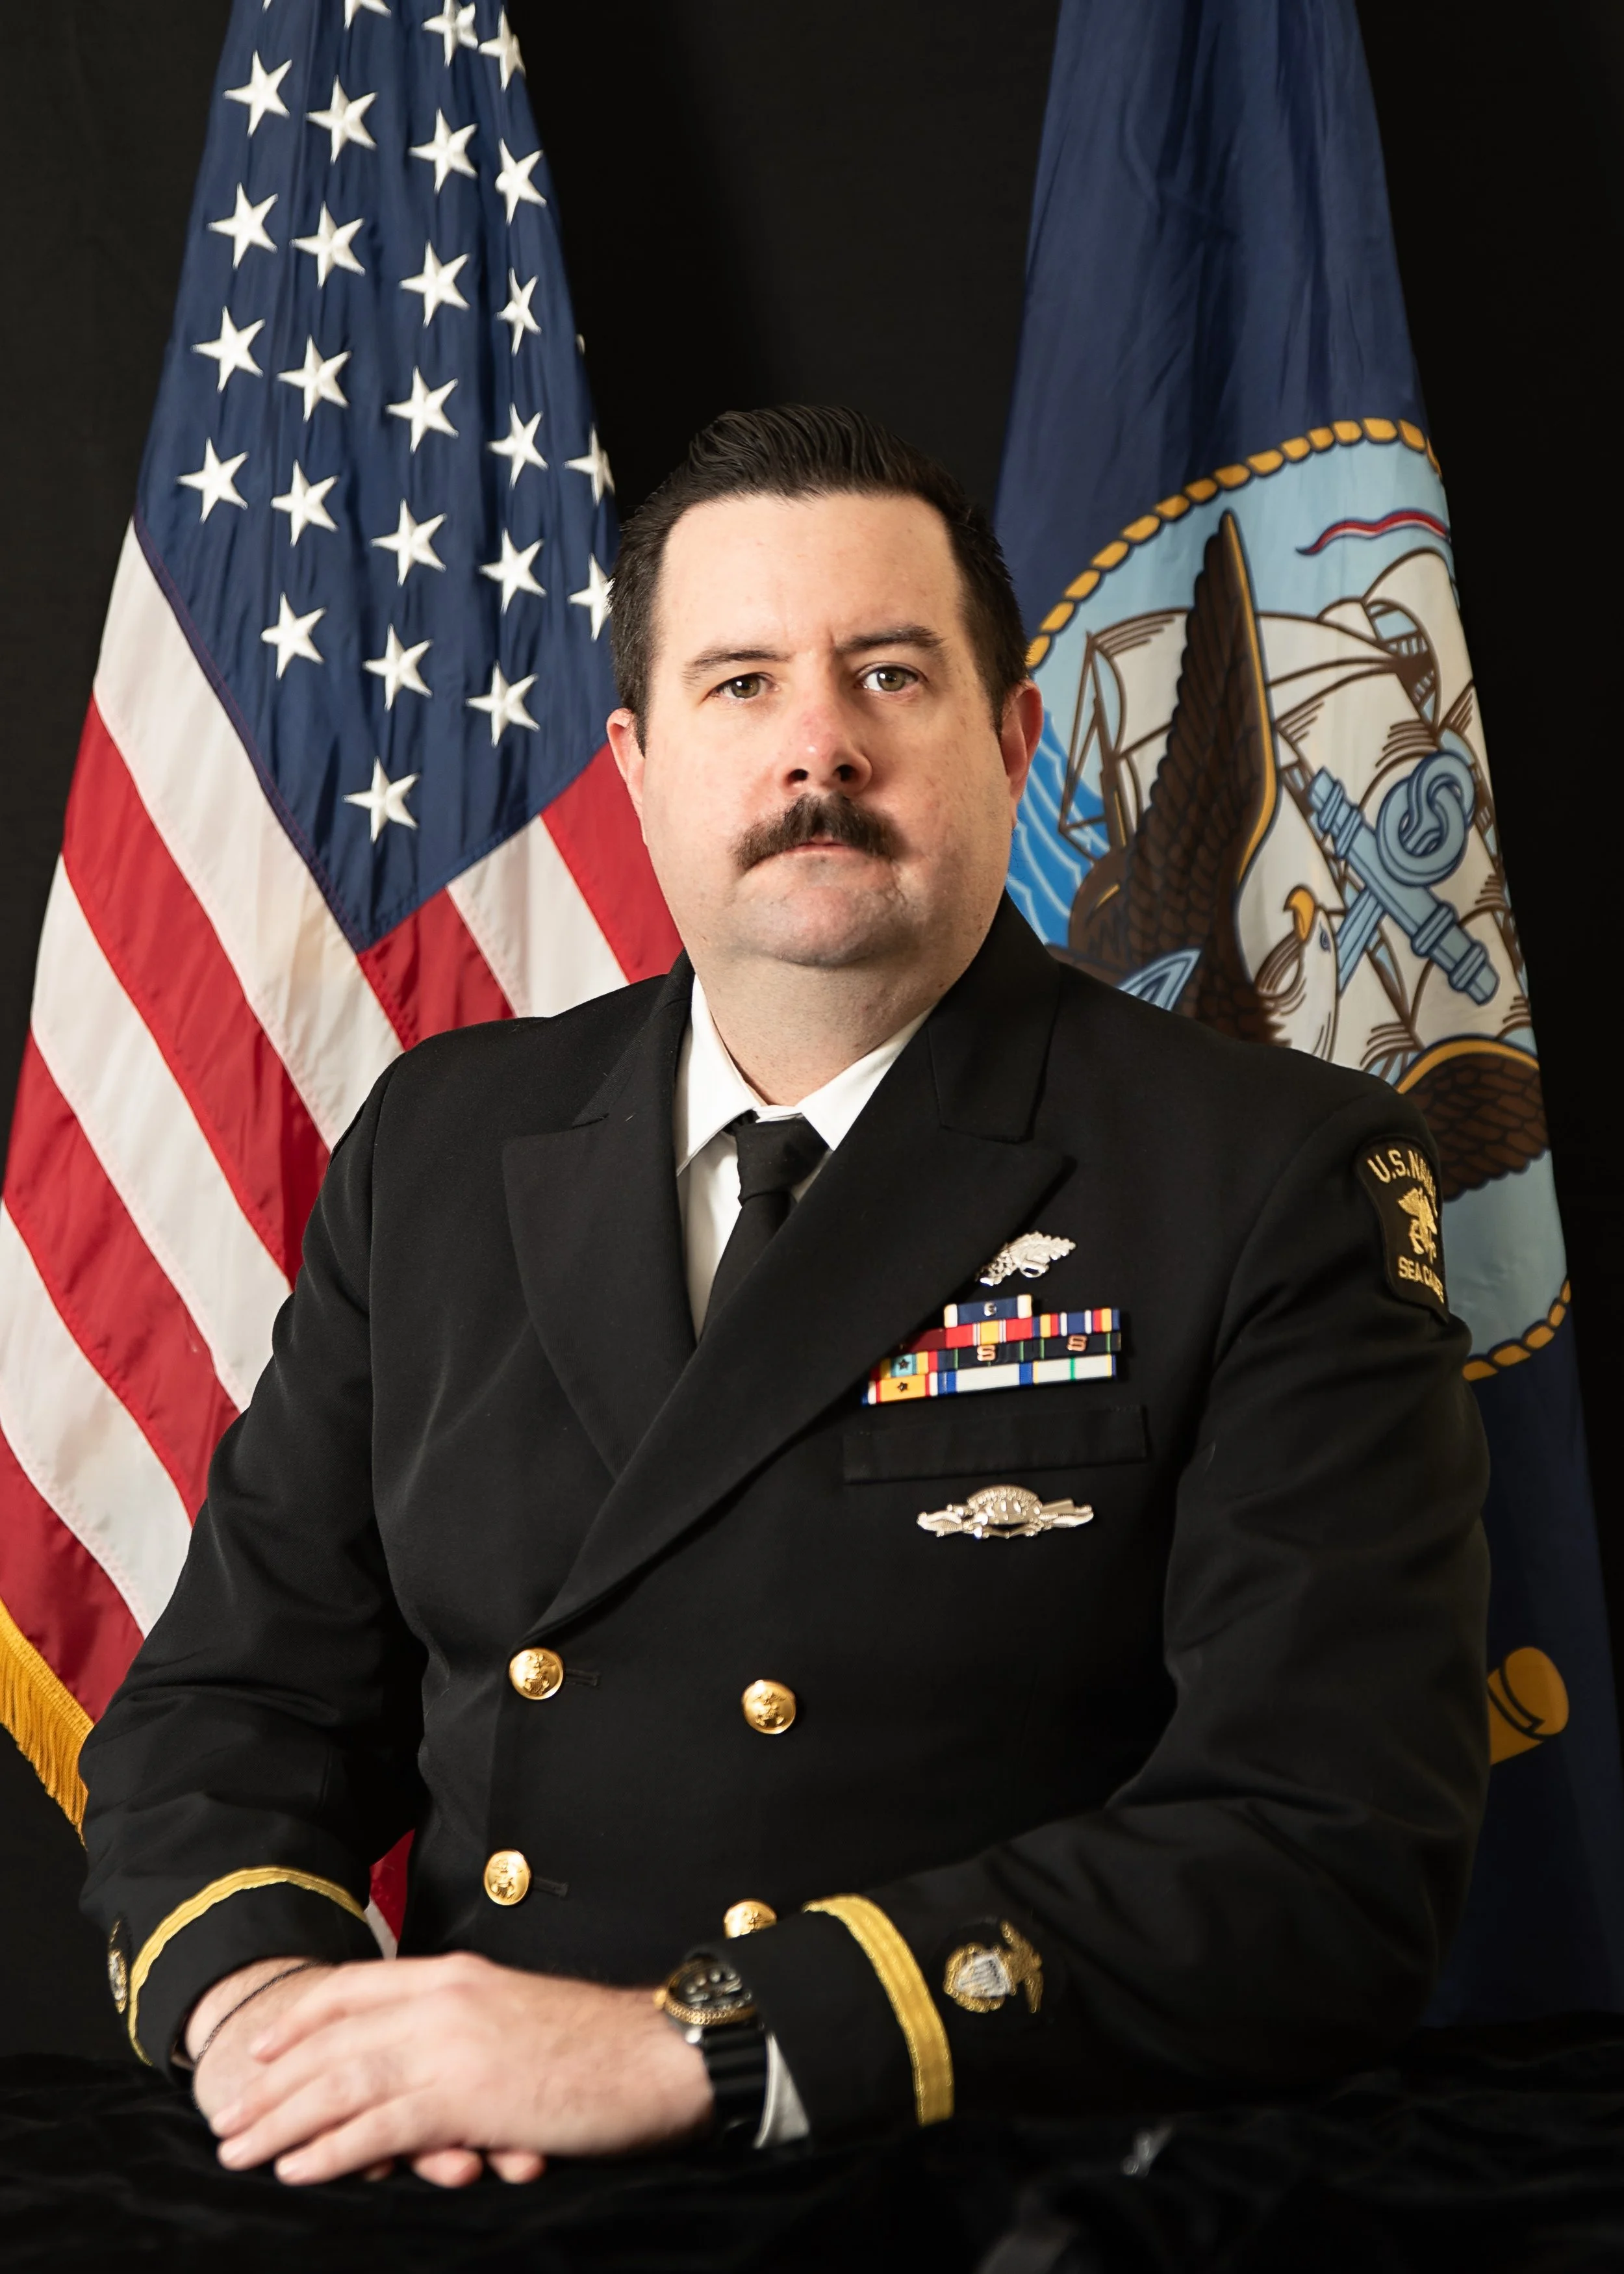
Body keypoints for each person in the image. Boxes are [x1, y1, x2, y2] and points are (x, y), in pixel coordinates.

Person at [81, 404, 1490, 2190]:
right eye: (739, 683)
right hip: (455, 2178)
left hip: (969, 2167)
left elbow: (1324, 1846)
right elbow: (234, 1701)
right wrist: (272, 2016)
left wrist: (687, 2041)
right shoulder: (442, 1145)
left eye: (888, 675)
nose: (816, 747)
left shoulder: (1268, 1176)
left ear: (1011, 737)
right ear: (638, 759)